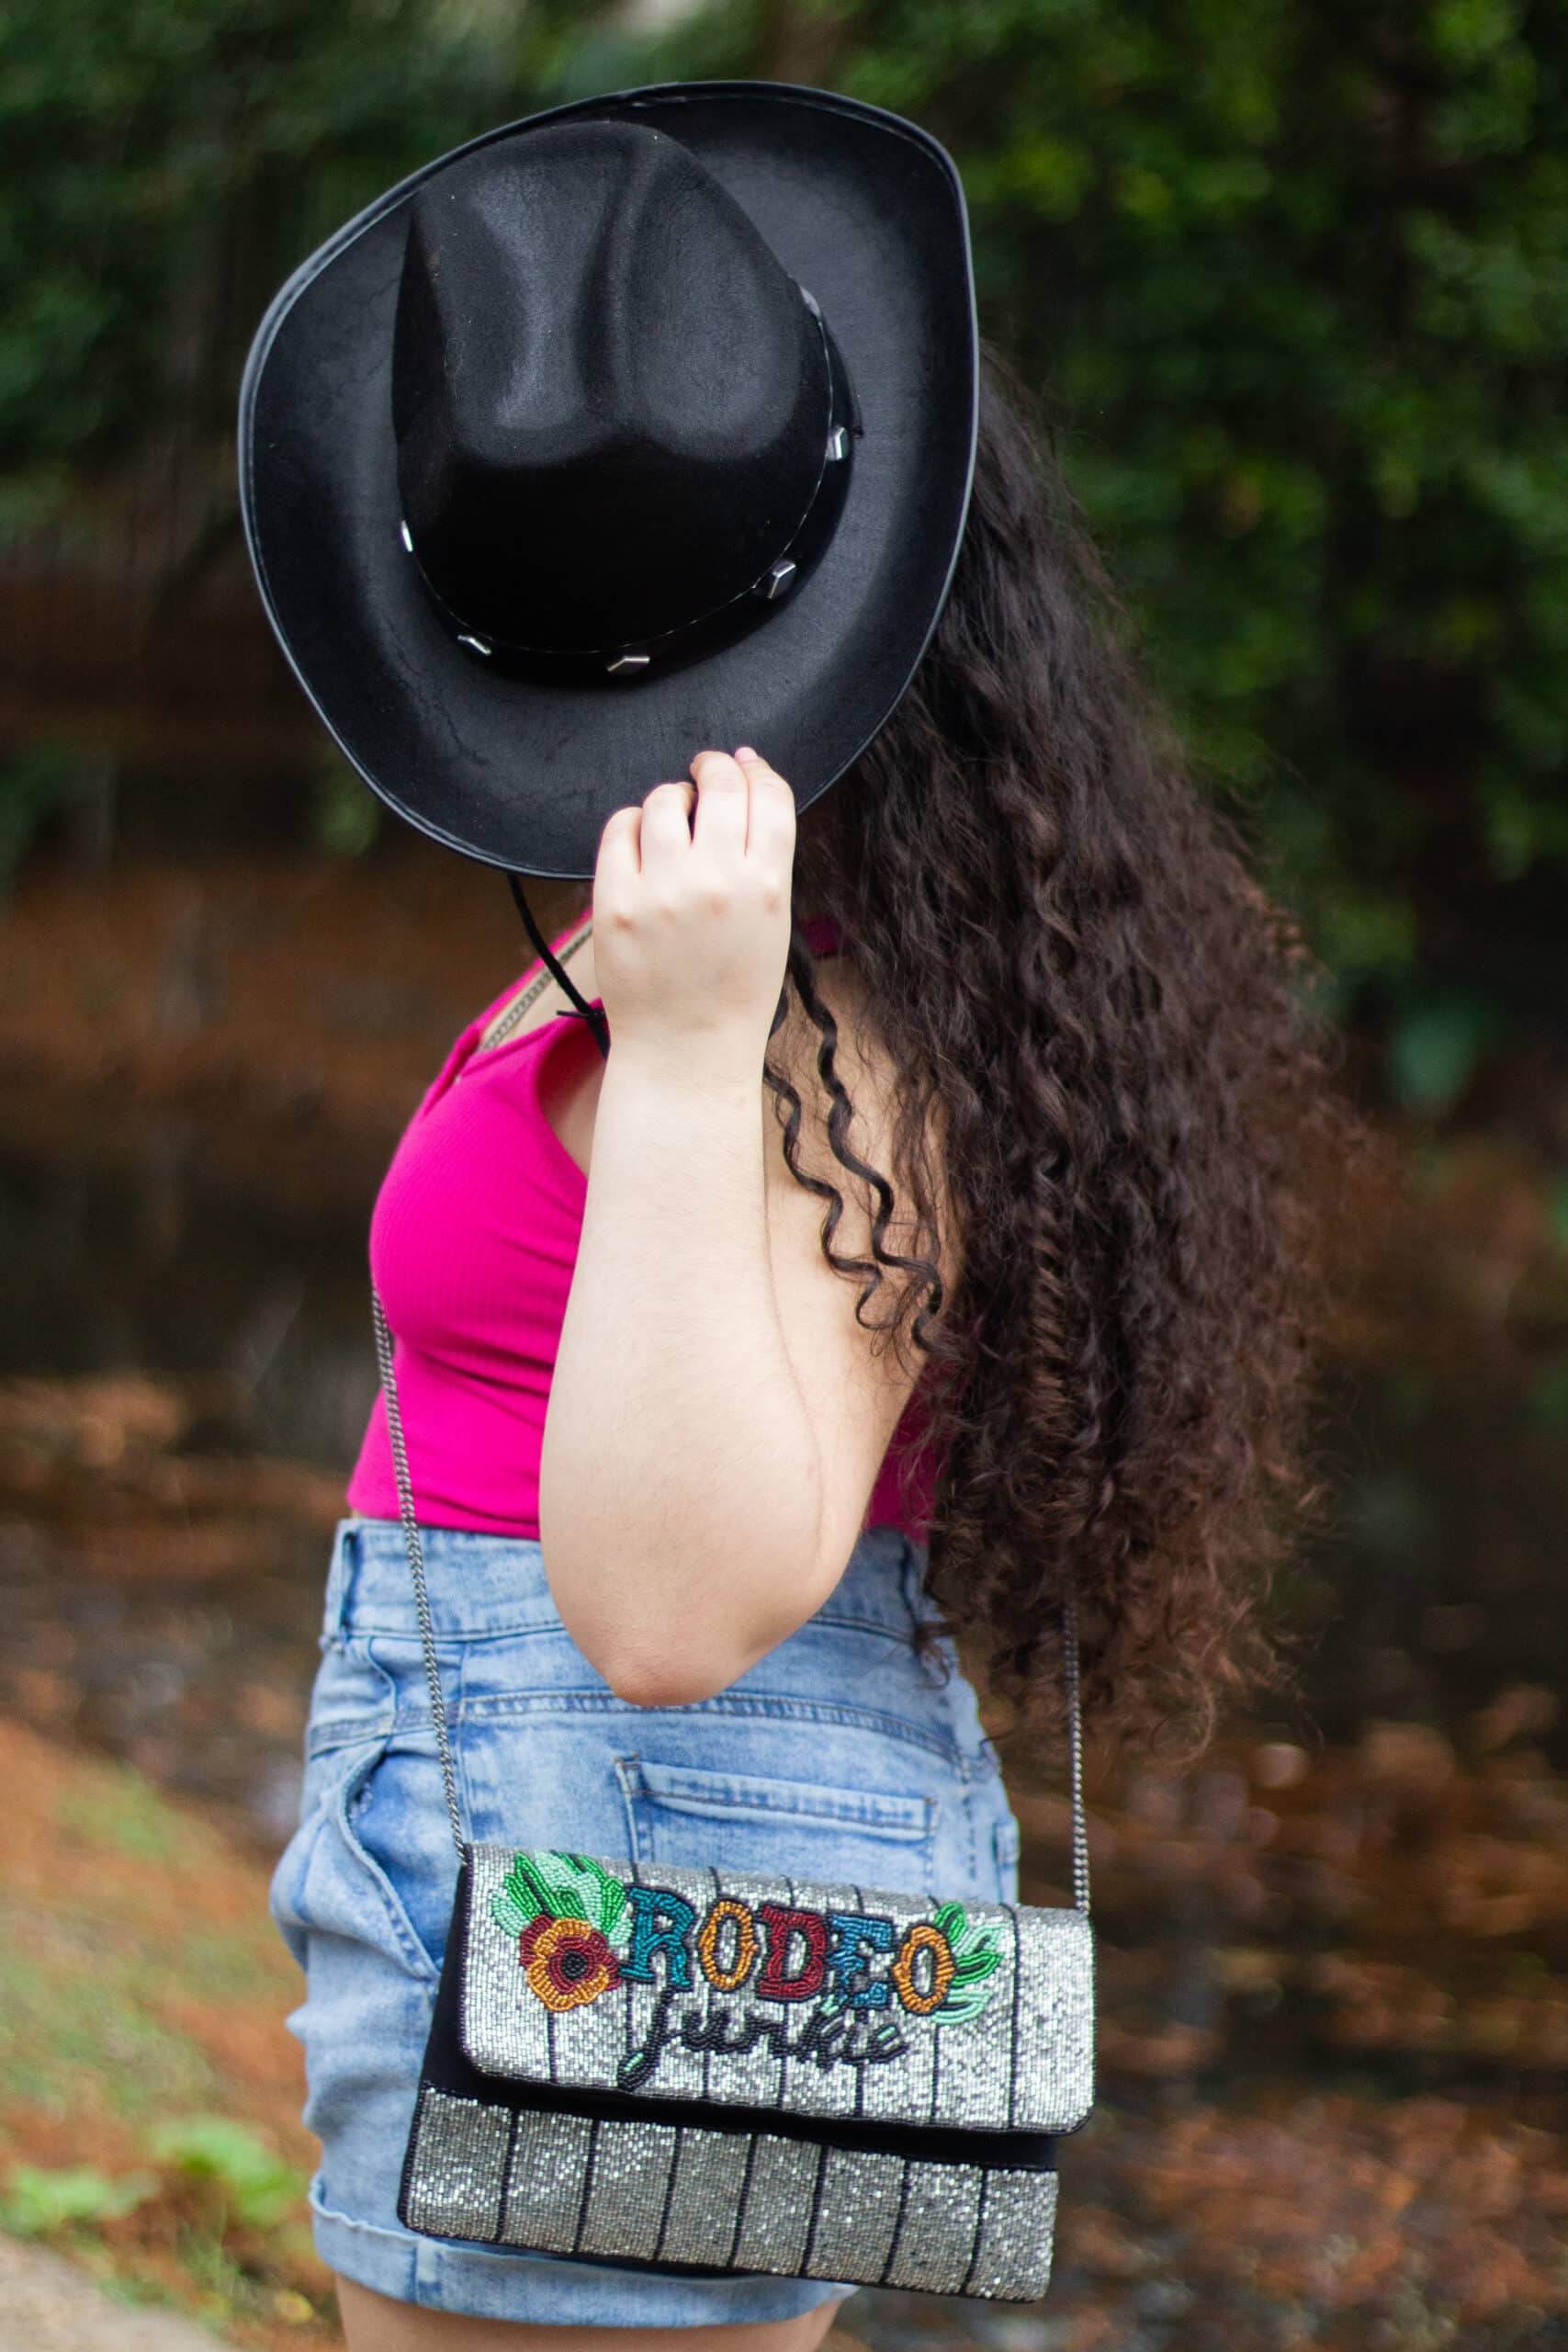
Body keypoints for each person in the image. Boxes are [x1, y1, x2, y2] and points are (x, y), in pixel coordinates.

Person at [247, 85, 1360, 2352]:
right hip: (665, 1865)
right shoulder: (860, 938)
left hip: (601, 1869)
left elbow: (670, 1605)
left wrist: (674, 1053)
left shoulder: (797, 1015)